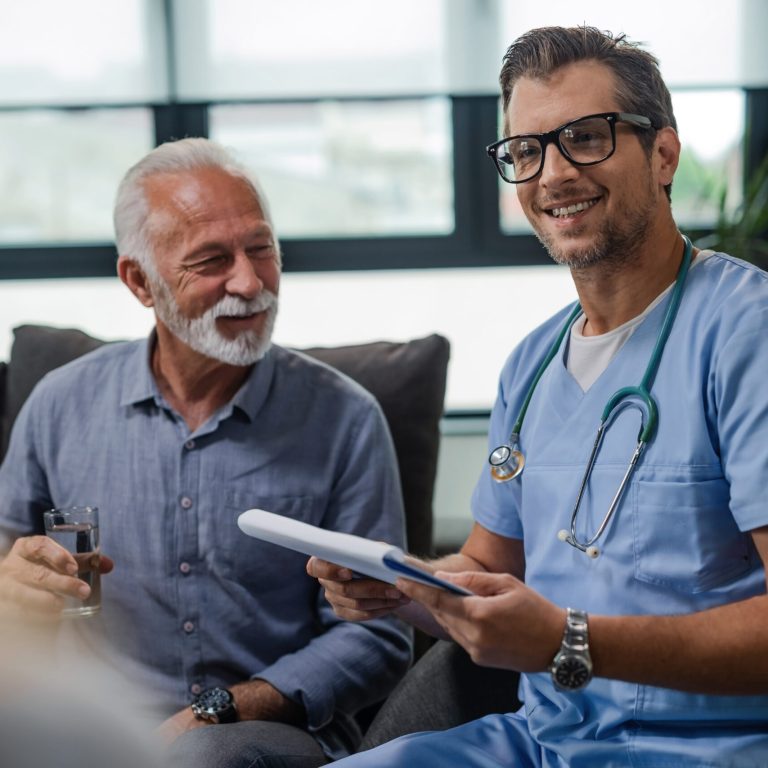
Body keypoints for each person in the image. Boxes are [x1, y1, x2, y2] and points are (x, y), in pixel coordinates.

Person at [309, 26, 768, 766]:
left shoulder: (746, 332)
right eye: (526, 150)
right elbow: (494, 569)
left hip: (711, 748)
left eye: (585, 137)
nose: (553, 173)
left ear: (663, 156)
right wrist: (402, 584)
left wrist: (568, 641)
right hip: (540, 742)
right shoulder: (531, 363)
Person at [0, 137, 411, 768]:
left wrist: (219, 710)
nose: (250, 283)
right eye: (212, 260)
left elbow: (379, 634)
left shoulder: (347, 418)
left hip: (257, 732)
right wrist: (14, 588)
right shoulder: (59, 403)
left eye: (261, 250)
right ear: (140, 280)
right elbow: (7, 561)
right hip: (88, 726)